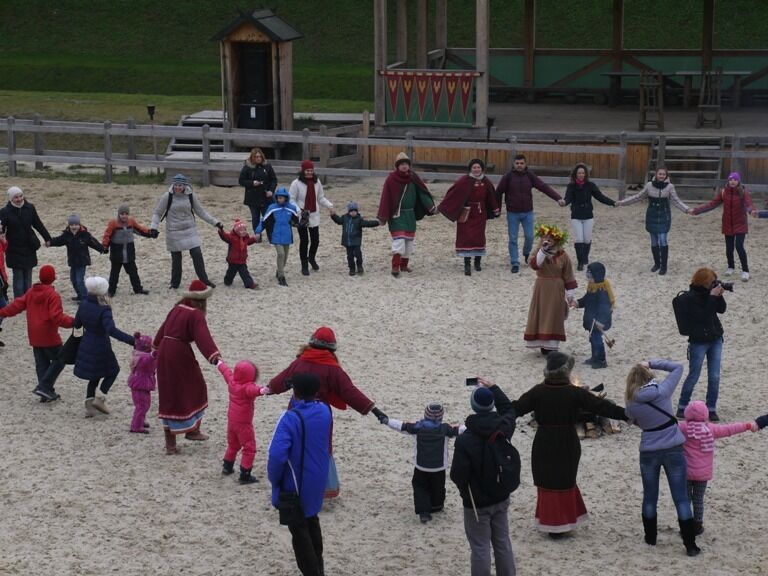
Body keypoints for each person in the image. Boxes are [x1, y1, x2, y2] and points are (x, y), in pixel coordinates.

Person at [510, 352, 626, 537]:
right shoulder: (575, 392)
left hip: (544, 440)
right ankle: (563, 521)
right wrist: (627, 414)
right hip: (567, 440)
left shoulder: (538, 392)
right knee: (564, 479)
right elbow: (603, 407)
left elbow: (514, 409)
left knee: (547, 479)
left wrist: (494, 402)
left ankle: (551, 523)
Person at [268, 326, 386, 499]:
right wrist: (372, 408)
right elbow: (349, 392)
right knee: (319, 448)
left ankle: (292, 483)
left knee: (295, 445)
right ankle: (321, 488)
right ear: (332, 348)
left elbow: (280, 381)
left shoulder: (299, 362)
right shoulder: (332, 369)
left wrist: (265, 389)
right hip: (319, 413)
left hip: (296, 408)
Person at [624, 359, 700, 556]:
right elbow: (678, 367)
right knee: (681, 498)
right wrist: (650, 362)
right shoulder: (663, 390)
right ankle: (690, 545)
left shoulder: (631, 403)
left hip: (649, 450)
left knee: (650, 496)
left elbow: (633, 421)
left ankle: (650, 539)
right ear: (648, 377)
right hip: (673, 447)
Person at [450, 382, 518, 576]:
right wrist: (495, 388)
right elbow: (509, 409)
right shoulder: (504, 427)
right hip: (501, 494)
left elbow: (458, 474)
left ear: (473, 406)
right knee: (503, 543)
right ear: (491, 406)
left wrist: (465, 491)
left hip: (476, 502)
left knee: (480, 548)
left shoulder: (464, 440)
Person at [268, 373, 332, 576]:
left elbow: (277, 456)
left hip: (295, 484)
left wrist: (274, 481)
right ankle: (319, 566)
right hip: (318, 478)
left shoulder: (290, 418)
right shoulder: (324, 411)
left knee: (299, 531)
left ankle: (312, 572)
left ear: (294, 392)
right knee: (312, 520)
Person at [153, 279, 222, 454]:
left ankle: (172, 443)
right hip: (179, 354)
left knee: (169, 394)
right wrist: (214, 356)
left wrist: (155, 347)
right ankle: (192, 430)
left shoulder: (176, 308)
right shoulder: (196, 314)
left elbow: (162, 331)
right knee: (196, 386)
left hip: (164, 352)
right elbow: (202, 337)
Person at [678, 400, 756, 535]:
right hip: (703, 475)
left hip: (685, 472)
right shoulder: (711, 429)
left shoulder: (683, 428)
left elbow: (665, 426)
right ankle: (697, 526)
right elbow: (730, 429)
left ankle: (685, 524)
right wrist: (748, 425)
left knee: (685, 500)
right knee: (698, 499)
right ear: (706, 414)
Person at [380, 403, 464, 523]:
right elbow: (462, 429)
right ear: (441, 417)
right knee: (438, 487)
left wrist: (386, 420)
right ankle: (437, 506)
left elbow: (400, 426)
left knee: (420, 488)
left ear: (425, 415)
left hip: (421, 466)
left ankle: (424, 512)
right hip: (439, 467)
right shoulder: (446, 429)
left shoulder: (417, 427)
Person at [0, 264, 73, 401]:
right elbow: (57, 317)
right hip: (48, 334)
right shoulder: (53, 295)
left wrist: (2, 312)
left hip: (34, 334)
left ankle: (46, 393)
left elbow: (16, 306)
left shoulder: (31, 292)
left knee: (42, 363)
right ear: (53, 278)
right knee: (61, 358)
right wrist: (73, 322)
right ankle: (45, 387)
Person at [74, 276, 135, 418]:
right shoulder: (104, 308)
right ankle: (100, 399)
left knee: (94, 375)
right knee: (113, 371)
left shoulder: (83, 304)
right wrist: (132, 341)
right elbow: (111, 330)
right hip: (101, 344)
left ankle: (89, 407)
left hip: (86, 342)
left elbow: (77, 324)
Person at [149, 173, 222, 290]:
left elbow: (201, 212)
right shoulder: (167, 196)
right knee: (176, 258)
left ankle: (204, 280)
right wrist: (153, 227)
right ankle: (175, 283)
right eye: (176, 185)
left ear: (185, 186)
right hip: (173, 230)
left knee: (197, 253)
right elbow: (157, 213)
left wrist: (215, 222)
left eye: (180, 185)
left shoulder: (191, 196)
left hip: (189, 229)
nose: (178, 187)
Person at [495, 155, 564, 273]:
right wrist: (497, 208)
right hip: (512, 212)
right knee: (513, 238)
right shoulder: (508, 177)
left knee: (530, 236)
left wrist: (557, 198)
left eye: (521, 163)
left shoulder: (530, 176)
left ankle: (526, 252)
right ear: (513, 164)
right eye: (517, 163)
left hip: (527, 212)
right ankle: (515, 262)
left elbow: (543, 187)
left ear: (525, 164)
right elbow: (498, 192)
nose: (519, 165)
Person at [615, 166, 689, 275]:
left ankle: (664, 266)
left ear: (666, 176)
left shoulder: (670, 187)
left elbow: (676, 201)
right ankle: (657, 264)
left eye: (664, 174)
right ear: (656, 174)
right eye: (660, 174)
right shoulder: (649, 186)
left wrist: (687, 210)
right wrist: (623, 202)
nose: (662, 176)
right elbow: (638, 197)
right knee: (654, 241)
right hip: (652, 216)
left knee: (663, 240)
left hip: (664, 216)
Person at [674, 267, 727, 421]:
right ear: (704, 283)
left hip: (715, 339)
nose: (713, 285)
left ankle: (711, 408)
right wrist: (712, 297)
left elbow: (721, 310)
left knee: (715, 376)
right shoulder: (689, 298)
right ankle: (682, 406)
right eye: (712, 282)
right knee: (694, 375)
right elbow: (703, 317)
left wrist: (719, 296)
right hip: (698, 342)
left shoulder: (710, 294)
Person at [377, 152, 437, 277]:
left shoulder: (413, 177)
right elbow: (386, 198)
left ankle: (404, 266)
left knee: (409, 243)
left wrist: (431, 208)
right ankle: (395, 267)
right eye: (402, 164)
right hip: (397, 215)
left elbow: (422, 193)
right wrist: (383, 216)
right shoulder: (391, 179)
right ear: (397, 166)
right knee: (399, 241)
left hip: (410, 215)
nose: (404, 166)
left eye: (406, 164)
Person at [438, 158, 500, 276]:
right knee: (465, 236)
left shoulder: (486, 181)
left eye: (478, 167)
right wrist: (444, 206)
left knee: (479, 236)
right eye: (474, 167)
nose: (476, 170)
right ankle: (467, 264)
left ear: (482, 169)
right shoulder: (464, 180)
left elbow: (491, 196)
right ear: (470, 169)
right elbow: (453, 192)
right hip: (466, 213)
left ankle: (477, 262)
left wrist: (495, 209)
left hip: (480, 213)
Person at [689, 172, 755, 282]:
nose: (732, 181)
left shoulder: (743, 192)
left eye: (735, 180)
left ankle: (745, 270)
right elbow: (712, 204)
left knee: (739, 246)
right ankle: (731, 267)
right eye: (730, 180)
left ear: (738, 181)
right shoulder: (724, 192)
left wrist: (752, 211)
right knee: (729, 248)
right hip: (727, 223)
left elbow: (749, 204)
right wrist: (696, 211)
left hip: (740, 223)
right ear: (728, 181)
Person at [524, 223, 577, 355]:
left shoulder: (563, 255)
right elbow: (535, 265)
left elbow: (568, 275)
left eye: (550, 239)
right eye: (544, 238)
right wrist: (543, 251)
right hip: (542, 288)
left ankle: (551, 345)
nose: (547, 241)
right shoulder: (538, 252)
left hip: (556, 289)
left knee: (554, 315)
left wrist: (570, 295)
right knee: (541, 314)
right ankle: (541, 343)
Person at [217, 358, 270, 484]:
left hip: (232, 420)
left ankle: (227, 467)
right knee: (249, 447)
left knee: (233, 444)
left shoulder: (232, 381)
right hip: (244, 423)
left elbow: (226, 372)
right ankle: (245, 474)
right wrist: (264, 390)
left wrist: (219, 363)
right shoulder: (247, 387)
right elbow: (255, 390)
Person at [562, 163, 617, 271]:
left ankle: (585, 257)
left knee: (587, 239)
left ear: (586, 174)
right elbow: (568, 198)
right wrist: (564, 202)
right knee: (579, 238)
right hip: (576, 215)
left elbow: (600, 197)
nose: (581, 175)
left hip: (588, 215)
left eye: (583, 173)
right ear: (575, 174)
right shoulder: (571, 186)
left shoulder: (590, 185)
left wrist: (613, 203)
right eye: (579, 173)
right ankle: (580, 262)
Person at [0, 186, 52, 297]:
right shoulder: (4, 211)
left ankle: (28, 299)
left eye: (20, 196)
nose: (19, 199)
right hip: (14, 248)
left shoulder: (30, 208)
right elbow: (1, 228)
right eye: (15, 197)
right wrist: (2, 236)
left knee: (28, 276)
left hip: (29, 246)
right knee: (18, 277)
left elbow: (38, 224)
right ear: (10, 199)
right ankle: (19, 301)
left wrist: (47, 238)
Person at [46, 214, 105, 302]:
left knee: (79, 280)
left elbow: (93, 242)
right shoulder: (66, 235)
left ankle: (85, 299)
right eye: (72, 225)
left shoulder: (85, 235)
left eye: (76, 225)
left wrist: (101, 248)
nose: (74, 227)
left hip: (82, 261)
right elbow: (58, 240)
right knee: (73, 279)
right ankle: (80, 295)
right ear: (69, 225)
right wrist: (50, 243)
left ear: (79, 225)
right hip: (73, 261)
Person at [289, 160, 333, 276]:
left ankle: (311, 258)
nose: (309, 173)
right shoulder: (296, 183)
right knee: (304, 241)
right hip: (301, 215)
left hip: (314, 214)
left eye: (311, 171)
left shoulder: (316, 182)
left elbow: (321, 197)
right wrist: (299, 210)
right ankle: (304, 264)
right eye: (307, 171)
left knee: (315, 240)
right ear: (303, 171)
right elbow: (291, 199)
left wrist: (329, 206)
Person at [102, 204, 153, 297]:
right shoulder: (113, 223)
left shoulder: (131, 222)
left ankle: (138, 289)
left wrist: (150, 232)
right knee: (114, 273)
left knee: (133, 272)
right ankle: (111, 291)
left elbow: (140, 229)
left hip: (129, 252)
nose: (124, 216)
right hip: (117, 253)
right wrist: (105, 246)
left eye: (126, 214)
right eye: (122, 214)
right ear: (119, 214)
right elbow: (107, 235)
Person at [254, 187, 300, 287]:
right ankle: (281, 277)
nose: (279, 199)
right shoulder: (272, 208)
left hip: (287, 236)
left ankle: (279, 270)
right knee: (281, 254)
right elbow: (263, 220)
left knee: (285, 257)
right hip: (275, 235)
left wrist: (302, 221)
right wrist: (258, 232)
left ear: (286, 198)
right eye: (278, 198)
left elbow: (296, 222)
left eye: (281, 198)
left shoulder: (291, 208)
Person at [574, 261, 614, 369]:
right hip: (591, 320)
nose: (588, 278)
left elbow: (605, 308)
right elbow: (587, 299)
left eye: (590, 275)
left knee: (597, 340)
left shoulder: (602, 290)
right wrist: (577, 303)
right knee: (593, 339)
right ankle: (594, 357)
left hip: (598, 322)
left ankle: (601, 360)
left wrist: (601, 321)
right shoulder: (592, 287)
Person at [329, 201, 380, 276]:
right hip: (347, 242)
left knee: (358, 255)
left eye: (355, 211)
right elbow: (338, 221)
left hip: (356, 241)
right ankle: (352, 269)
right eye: (351, 211)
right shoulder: (344, 218)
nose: (353, 212)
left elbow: (368, 223)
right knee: (349, 256)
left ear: (357, 211)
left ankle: (359, 266)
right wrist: (333, 215)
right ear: (348, 211)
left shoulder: (359, 220)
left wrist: (378, 222)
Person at [238, 147, 277, 233]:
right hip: (252, 198)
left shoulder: (267, 166)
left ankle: (271, 237)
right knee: (255, 218)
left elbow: (273, 179)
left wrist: (271, 191)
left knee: (268, 218)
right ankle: (257, 236)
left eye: (260, 156)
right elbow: (241, 181)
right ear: (252, 157)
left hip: (266, 196)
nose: (258, 158)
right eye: (256, 157)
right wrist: (252, 183)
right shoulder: (247, 168)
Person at [127, 333, 157, 434]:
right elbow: (148, 359)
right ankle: (136, 426)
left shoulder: (137, 355)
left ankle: (140, 421)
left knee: (145, 404)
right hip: (141, 384)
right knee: (142, 406)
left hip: (140, 384)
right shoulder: (143, 358)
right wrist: (155, 354)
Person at [218, 218, 259, 289]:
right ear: (237, 231)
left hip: (242, 260)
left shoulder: (245, 238)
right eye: (241, 230)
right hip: (233, 260)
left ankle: (250, 284)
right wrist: (221, 231)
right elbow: (224, 237)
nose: (243, 232)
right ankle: (227, 281)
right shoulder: (232, 238)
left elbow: (248, 242)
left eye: (244, 230)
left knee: (245, 273)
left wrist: (254, 239)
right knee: (230, 273)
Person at [0, 228, 10, 346]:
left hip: (2, 278)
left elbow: (5, 250)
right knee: (4, 307)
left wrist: (3, 241)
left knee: (4, 308)